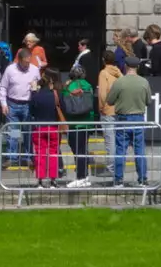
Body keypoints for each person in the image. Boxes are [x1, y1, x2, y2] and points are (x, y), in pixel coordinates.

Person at [105, 59, 153, 187]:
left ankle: (119, 179)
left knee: (120, 149)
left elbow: (109, 101)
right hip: (138, 118)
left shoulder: (119, 82)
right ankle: (142, 179)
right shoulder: (144, 82)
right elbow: (149, 101)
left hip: (123, 119)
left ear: (125, 66)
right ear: (137, 67)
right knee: (140, 150)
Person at [0, 47, 39, 167]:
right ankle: (12, 157)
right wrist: (3, 104)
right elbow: (3, 87)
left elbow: (40, 85)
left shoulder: (34, 70)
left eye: (29, 62)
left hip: (27, 104)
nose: (27, 65)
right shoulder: (10, 70)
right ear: (19, 60)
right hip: (13, 104)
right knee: (13, 132)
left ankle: (28, 157)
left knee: (28, 132)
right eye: (25, 62)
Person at [28, 68, 66, 188]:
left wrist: (33, 92)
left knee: (40, 154)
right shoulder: (55, 95)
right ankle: (53, 180)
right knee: (53, 154)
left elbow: (31, 111)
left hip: (39, 128)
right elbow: (62, 108)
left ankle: (40, 180)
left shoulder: (36, 96)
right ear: (50, 83)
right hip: (53, 128)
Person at [61, 65, 97, 188]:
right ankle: (85, 176)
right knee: (83, 149)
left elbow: (64, 100)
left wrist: (66, 86)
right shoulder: (88, 85)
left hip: (75, 123)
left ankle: (80, 177)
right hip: (87, 122)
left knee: (77, 151)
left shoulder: (70, 86)